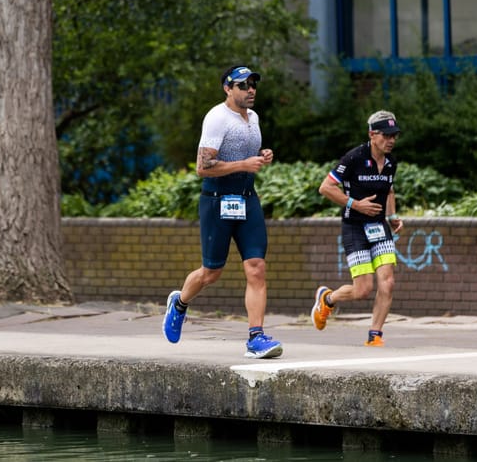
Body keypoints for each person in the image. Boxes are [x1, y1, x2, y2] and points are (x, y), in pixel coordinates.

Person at [162, 65, 283, 359]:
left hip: (247, 199)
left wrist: (262, 155)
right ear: (228, 89)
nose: (250, 89)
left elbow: (246, 155)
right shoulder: (217, 118)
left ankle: (256, 338)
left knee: (256, 267)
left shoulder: (253, 117)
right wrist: (243, 165)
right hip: (217, 200)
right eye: (243, 85)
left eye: (253, 84)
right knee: (211, 272)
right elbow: (203, 167)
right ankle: (179, 303)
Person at [311, 110, 404, 347]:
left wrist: (392, 216)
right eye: (387, 135)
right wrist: (355, 204)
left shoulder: (391, 161)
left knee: (388, 282)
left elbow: (389, 190)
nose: (391, 140)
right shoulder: (354, 158)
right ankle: (328, 298)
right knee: (363, 289)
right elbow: (326, 187)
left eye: (395, 135)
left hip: (379, 227)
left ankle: (375, 336)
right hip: (355, 228)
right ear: (372, 134)